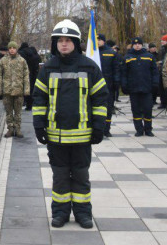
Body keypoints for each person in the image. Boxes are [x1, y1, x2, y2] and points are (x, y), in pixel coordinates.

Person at [32, 20, 108, 229]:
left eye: (68, 40)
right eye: (60, 41)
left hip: (83, 136)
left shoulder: (89, 67)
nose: (64, 44)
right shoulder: (47, 68)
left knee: (81, 176)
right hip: (56, 136)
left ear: (76, 42)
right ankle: (60, 213)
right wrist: (38, 125)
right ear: (55, 43)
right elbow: (39, 99)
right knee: (60, 177)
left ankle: (83, 214)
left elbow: (101, 99)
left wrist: (100, 126)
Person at [121, 37, 159, 137]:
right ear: (132, 45)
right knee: (136, 110)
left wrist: (155, 83)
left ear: (142, 45)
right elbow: (124, 73)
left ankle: (148, 129)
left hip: (147, 88)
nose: (137, 45)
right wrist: (124, 85)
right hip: (133, 88)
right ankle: (139, 129)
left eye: (139, 44)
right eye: (135, 44)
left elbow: (155, 72)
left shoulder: (149, 56)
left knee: (147, 109)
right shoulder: (127, 57)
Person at [0, 41, 30, 138]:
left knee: (18, 112)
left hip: (19, 91)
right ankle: (10, 129)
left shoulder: (22, 61)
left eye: (13, 48)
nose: (12, 49)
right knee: (9, 112)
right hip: (7, 91)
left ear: (16, 49)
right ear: (8, 49)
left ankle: (18, 129)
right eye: (10, 48)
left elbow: (26, 76)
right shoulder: (3, 61)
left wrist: (26, 89)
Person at [97, 34, 120, 137]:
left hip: (108, 85)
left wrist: (116, 83)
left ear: (104, 41)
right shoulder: (91, 53)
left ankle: (106, 129)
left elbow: (116, 69)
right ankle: (97, 129)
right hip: (95, 86)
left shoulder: (111, 53)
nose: (97, 41)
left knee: (108, 108)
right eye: (96, 40)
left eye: (99, 40)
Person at [18, 42, 41, 111]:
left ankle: (24, 103)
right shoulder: (35, 54)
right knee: (32, 89)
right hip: (35, 73)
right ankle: (30, 104)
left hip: (24, 74)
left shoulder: (21, 53)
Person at [158, 34, 167, 109]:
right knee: (161, 88)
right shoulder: (161, 49)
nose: (162, 41)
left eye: (164, 40)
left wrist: (162, 62)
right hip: (161, 71)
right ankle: (163, 102)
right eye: (162, 40)